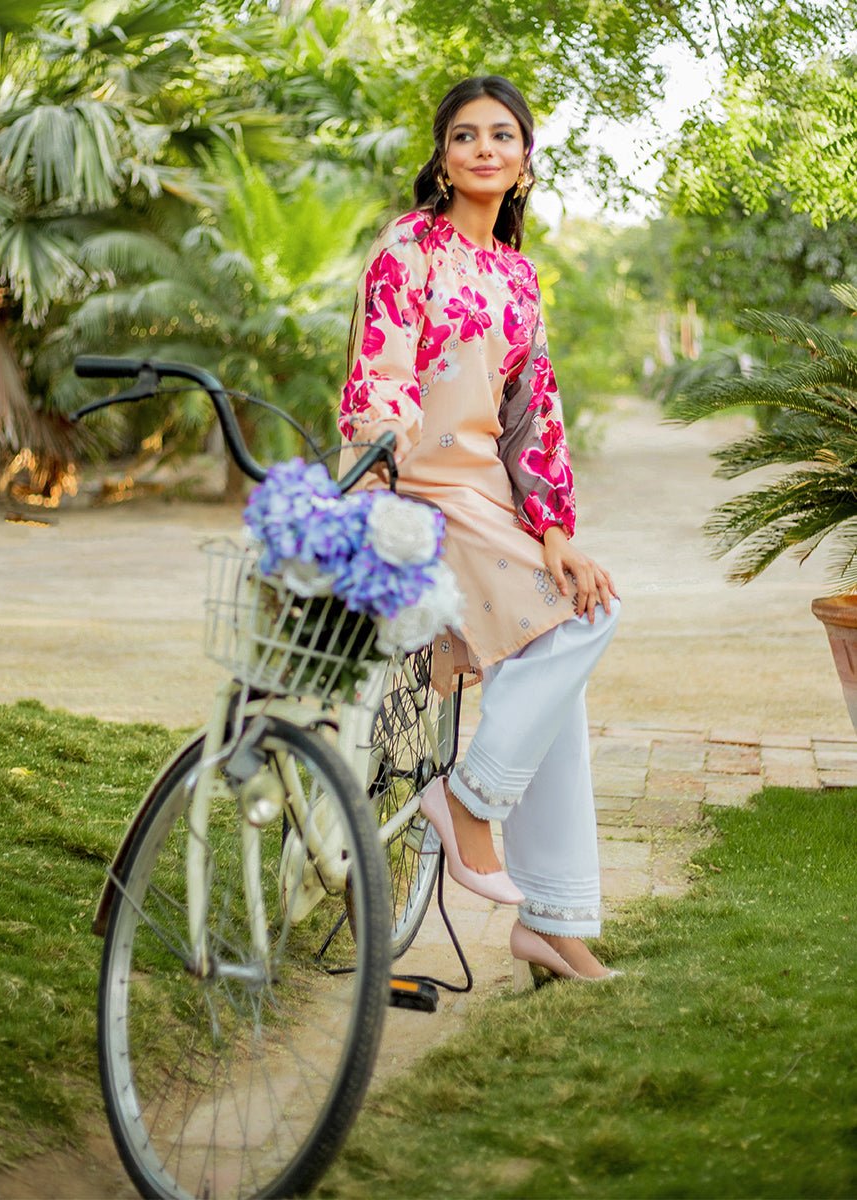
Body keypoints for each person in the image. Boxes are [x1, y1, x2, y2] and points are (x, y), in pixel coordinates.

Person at [338, 76, 621, 982]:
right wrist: (383, 473)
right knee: (584, 621)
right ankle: (469, 802)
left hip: (489, 498)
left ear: (524, 159)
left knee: (565, 639)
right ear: (444, 156)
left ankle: (553, 920)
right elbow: (380, 371)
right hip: (419, 487)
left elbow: (532, 412)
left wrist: (554, 529)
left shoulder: (516, 274)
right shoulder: (408, 247)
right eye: (466, 135)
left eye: (503, 135)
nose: (485, 149)